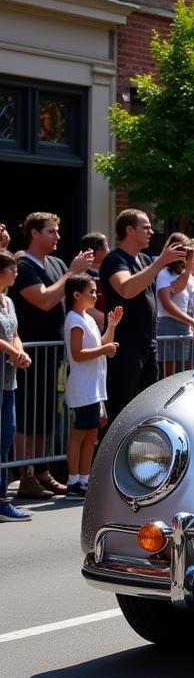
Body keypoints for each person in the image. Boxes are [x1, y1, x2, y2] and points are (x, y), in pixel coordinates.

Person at [11, 212, 94, 498]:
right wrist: (72, 272)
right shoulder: (23, 266)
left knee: (46, 413)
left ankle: (43, 469)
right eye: (51, 231)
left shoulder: (57, 263)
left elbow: (71, 298)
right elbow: (45, 300)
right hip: (30, 353)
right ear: (34, 233)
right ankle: (26, 475)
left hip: (55, 353)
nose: (57, 236)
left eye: (57, 231)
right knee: (28, 415)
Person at [100, 209, 188, 427]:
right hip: (125, 348)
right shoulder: (114, 260)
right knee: (121, 412)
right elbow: (126, 289)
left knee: (145, 411)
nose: (152, 231)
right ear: (129, 230)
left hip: (148, 346)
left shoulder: (143, 259)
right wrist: (159, 263)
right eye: (145, 227)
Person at [63, 274, 123, 499]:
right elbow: (78, 354)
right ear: (76, 294)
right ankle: (73, 481)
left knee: (91, 435)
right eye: (90, 291)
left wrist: (112, 325)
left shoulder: (86, 318)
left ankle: (84, 479)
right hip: (83, 387)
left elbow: (102, 343)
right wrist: (103, 351)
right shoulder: (74, 319)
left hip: (94, 387)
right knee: (80, 434)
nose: (95, 295)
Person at [0, 250, 33, 521]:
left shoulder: (8, 302)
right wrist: (13, 351)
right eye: (13, 269)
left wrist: (19, 351)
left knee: (6, 436)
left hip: (8, 381)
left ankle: (1, 499)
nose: (16, 274)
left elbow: (15, 333)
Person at [156, 232, 194, 376]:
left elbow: (181, 289)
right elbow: (166, 303)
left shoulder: (187, 275)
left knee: (185, 373)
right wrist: (192, 322)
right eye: (182, 250)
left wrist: (188, 266)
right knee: (168, 376)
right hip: (168, 327)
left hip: (185, 329)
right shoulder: (164, 273)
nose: (185, 254)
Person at [80, 232, 110, 330]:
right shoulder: (81, 275)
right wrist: (109, 321)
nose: (109, 251)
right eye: (106, 246)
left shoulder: (104, 273)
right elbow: (85, 306)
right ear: (95, 251)